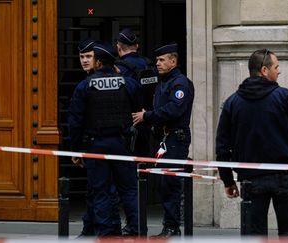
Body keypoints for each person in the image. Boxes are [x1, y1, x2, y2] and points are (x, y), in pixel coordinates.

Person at [216, 49, 288, 236]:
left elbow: (222, 145)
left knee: (254, 234)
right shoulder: (284, 96)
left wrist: (228, 180)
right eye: (276, 67)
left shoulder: (232, 102)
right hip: (285, 176)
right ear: (264, 70)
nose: (279, 71)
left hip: (250, 178)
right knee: (287, 234)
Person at [68, 41, 139, 236]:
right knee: (129, 191)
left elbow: (75, 122)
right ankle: (136, 231)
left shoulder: (85, 86)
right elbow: (139, 108)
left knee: (101, 191)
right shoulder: (128, 82)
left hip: (96, 145)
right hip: (122, 143)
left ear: (98, 63)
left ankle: (107, 234)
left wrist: (75, 150)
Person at [132, 42, 194, 238]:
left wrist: (147, 116)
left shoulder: (180, 83)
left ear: (173, 61)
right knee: (162, 183)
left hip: (176, 137)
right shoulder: (164, 82)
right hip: (165, 138)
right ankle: (170, 225)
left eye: (161, 60)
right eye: (157, 60)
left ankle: (172, 227)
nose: (157, 63)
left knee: (169, 183)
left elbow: (174, 110)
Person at [114, 28, 155, 236]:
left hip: (129, 128)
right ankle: (140, 223)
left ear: (119, 48)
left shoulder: (121, 68)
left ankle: (133, 225)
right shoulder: (149, 64)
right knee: (141, 176)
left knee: (126, 180)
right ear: (136, 46)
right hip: (148, 124)